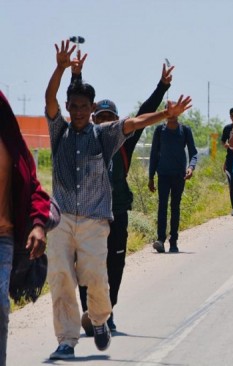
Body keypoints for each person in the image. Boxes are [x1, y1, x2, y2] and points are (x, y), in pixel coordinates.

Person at [45, 39, 192, 360]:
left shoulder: (108, 136)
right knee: (61, 277)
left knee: (98, 276)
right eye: (77, 107)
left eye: (88, 107)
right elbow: (55, 99)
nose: (82, 112)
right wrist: (63, 69)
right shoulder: (60, 132)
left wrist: (166, 111)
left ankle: (99, 319)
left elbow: (137, 120)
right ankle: (66, 339)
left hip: (99, 218)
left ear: (97, 110)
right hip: (62, 217)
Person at [71, 59, 174, 336]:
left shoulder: (124, 141)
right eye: (100, 117)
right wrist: (76, 74)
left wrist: (162, 87)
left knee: (115, 262)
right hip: (88, 213)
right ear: (94, 119)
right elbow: (75, 101)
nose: (105, 121)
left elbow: (144, 113)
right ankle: (89, 312)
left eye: (109, 118)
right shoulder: (84, 137)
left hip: (117, 211)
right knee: (86, 264)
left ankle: (107, 310)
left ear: (116, 121)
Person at [0, 91, 59, 366]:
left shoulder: (12, 146)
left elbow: (34, 187)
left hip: (3, 238)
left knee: (0, 307)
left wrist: (38, 225)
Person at [149, 103, 198, 253]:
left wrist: (191, 168)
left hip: (179, 175)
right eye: (169, 111)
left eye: (175, 111)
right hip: (163, 174)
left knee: (175, 207)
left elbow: (193, 153)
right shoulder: (159, 130)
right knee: (162, 206)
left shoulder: (185, 130)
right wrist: (151, 176)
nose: (172, 114)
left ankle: (174, 241)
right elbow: (154, 154)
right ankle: (161, 240)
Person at [221, 107, 233, 216]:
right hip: (230, 159)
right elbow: (223, 141)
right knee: (232, 184)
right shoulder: (227, 128)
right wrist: (227, 145)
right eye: (232, 116)